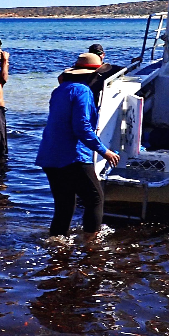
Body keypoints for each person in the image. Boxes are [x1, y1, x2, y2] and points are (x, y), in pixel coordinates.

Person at [35, 53, 121, 239]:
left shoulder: (60, 90)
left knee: (64, 204)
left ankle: (57, 244)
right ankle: (91, 244)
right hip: (72, 155)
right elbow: (81, 127)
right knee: (95, 199)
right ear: (93, 74)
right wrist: (104, 151)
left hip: (50, 154)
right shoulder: (82, 91)